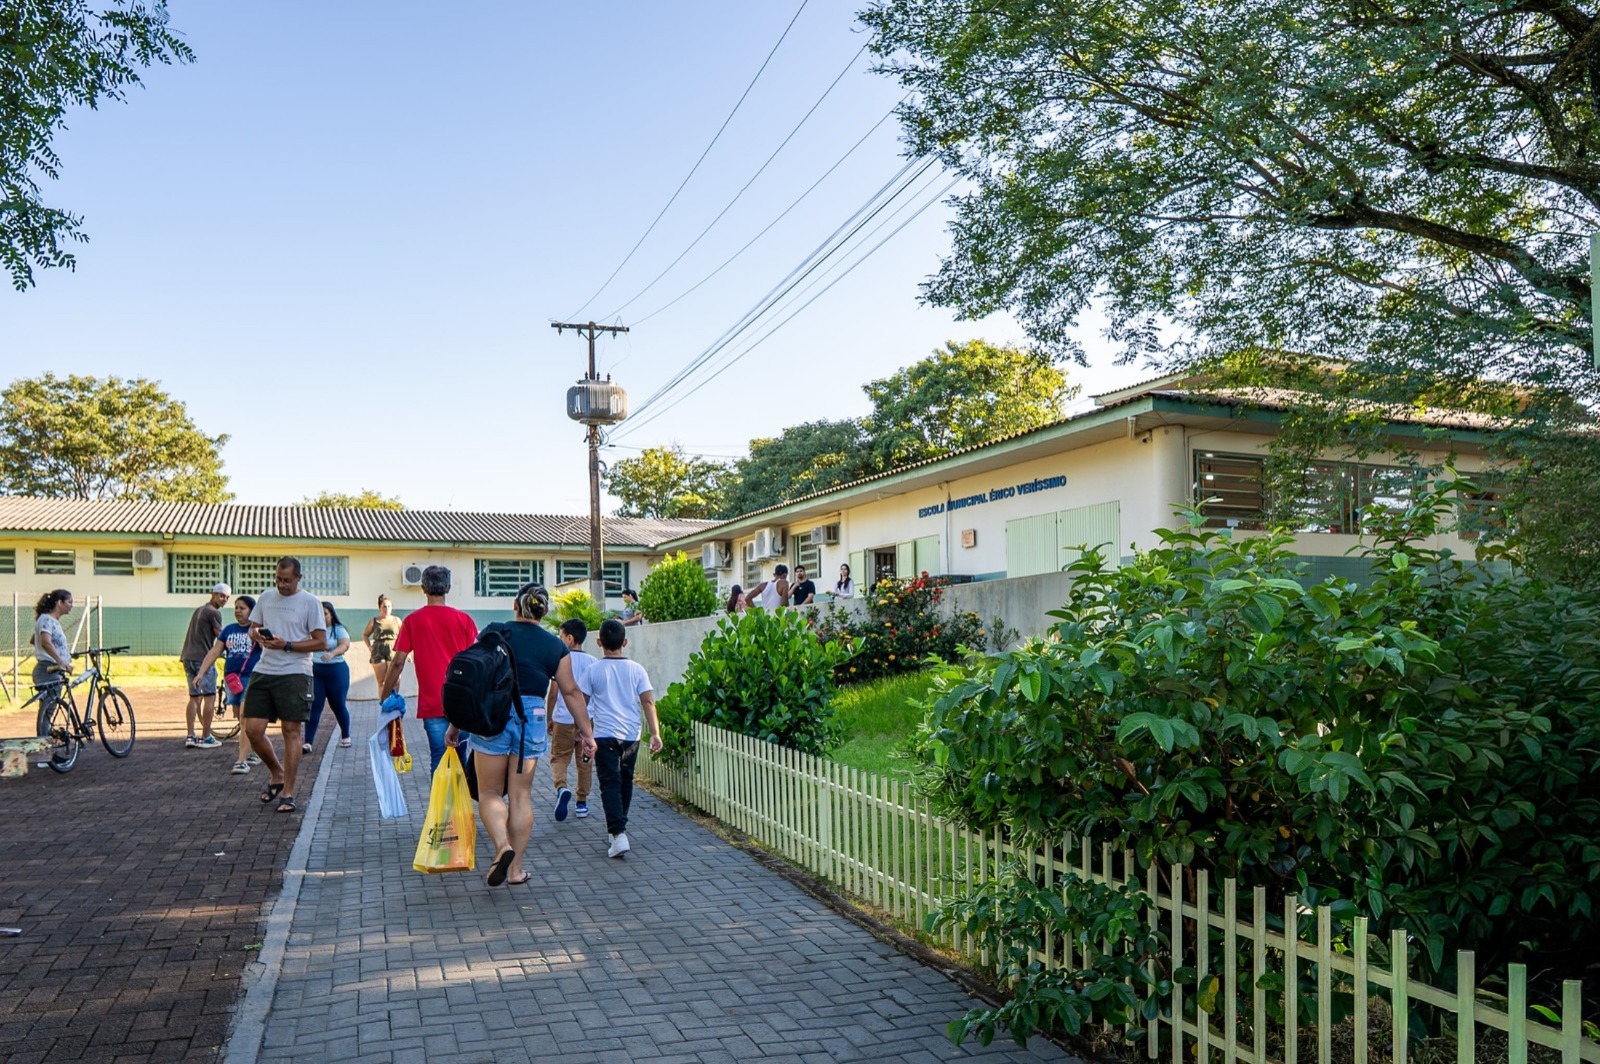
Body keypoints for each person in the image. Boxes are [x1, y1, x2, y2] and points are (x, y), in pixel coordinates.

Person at [458, 584, 597, 888]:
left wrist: (457, 724)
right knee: (521, 795)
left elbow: (472, 679)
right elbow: (571, 691)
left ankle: (501, 846)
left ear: (515, 605)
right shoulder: (555, 646)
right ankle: (515, 870)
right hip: (531, 717)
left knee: (489, 792)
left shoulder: (493, 632)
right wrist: (587, 733)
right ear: (544, 612)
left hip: (492, 713)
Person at [244, 557, 327, 814]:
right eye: (278, 579)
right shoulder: (266, 597)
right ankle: (277, 773)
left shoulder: (310, 602)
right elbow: (253, 628)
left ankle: (288, 793)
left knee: (291, 731)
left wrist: (287, 645)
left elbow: (321, 642)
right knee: (252, 729)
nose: (282, 585)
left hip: (296, 672)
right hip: (264, 670)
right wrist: (256, 635)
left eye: (287, 580)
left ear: (298, 578)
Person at [377, 564, 478, 773]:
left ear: (423, 588)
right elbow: (476, 662)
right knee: (460, 758)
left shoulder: (413, 621)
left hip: (434, 702)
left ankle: (440, 796)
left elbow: (398, 662)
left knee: (439, 760)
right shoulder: (465, 620)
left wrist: (385, 696)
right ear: (448, 588)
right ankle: (462, 795)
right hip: (463, 703)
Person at [585, 618, 661, 858]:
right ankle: (619, 829)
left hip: (604, 734)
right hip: (631, 735)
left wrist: (583, 730)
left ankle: (617, 834)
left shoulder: (593, 670)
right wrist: (655, 733)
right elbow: (648, 701)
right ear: (625, 642)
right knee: (625, 781)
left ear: (599, 642)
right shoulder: (637, 669)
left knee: (609, 783)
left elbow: (582, 702)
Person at [196, 595, 262, 774]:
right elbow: (214, 652)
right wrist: (201, 673)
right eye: (236, 608)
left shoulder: (256, 630)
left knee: (245, 717)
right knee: (240, 718)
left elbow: (267, 650)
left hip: (252, 679)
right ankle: (256, 749)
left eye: (242, 608)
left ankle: (241, 761)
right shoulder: (228, 630)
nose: (238, 611)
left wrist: (259, 635)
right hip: (233, 680)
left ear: (252, 611)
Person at [548, 618, 598, 822]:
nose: (560, 640)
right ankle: (582, 803)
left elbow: (553, 693)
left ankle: (561, 787)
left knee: (559, 757)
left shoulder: (560, 659)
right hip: (586, 721)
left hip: (563, 719)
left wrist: (549, 717)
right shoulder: (593, 662)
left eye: (561, 636)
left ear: (570, 638)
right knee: (585, 761)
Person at [180, 582, 230, 749]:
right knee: (210, 696)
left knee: (194, 697)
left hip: (187, 657)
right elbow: (220, 636)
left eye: (227, 597)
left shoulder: (199, 610)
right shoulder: (214, 612)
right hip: (203, 659)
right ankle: (206, 737)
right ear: (213, 594)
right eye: (221, 596)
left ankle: (190, 735)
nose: (224, 600)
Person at [303, 601, 352, 752]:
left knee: (337, 704)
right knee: (315, 705)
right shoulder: (312, 631)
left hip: (336, 671)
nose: (322, 617)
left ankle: (346, 736)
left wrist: (332, 653)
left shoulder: (338, 629)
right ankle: (308, 742)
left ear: (331, 615)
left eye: (325, 614)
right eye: (319, 614)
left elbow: (345, 645)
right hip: (317, 672)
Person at [30, 589, 73, 718]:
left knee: (49, 710)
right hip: (48, 669)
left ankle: (46, 731)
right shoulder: (46, 620)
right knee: (48, 712)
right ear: (59, 602)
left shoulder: (51, 621)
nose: (71, 605)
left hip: (53, 669)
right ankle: (44, 732)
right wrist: (61, 662)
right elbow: (45, 642)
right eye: (69, 602)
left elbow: (34, 640)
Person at [362, 595, 400, 694]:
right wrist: (369, 647)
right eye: (384, 606)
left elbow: (403, 635)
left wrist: (405, 651)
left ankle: (394, 701)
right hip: (378, 651)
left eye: (389, 606)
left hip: (393, 650)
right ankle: (383, 702)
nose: (387, 609)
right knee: (381, 682)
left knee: (395, 680)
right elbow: (365, 634)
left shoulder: (397, 620)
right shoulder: (374, 621)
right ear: (379, 608)